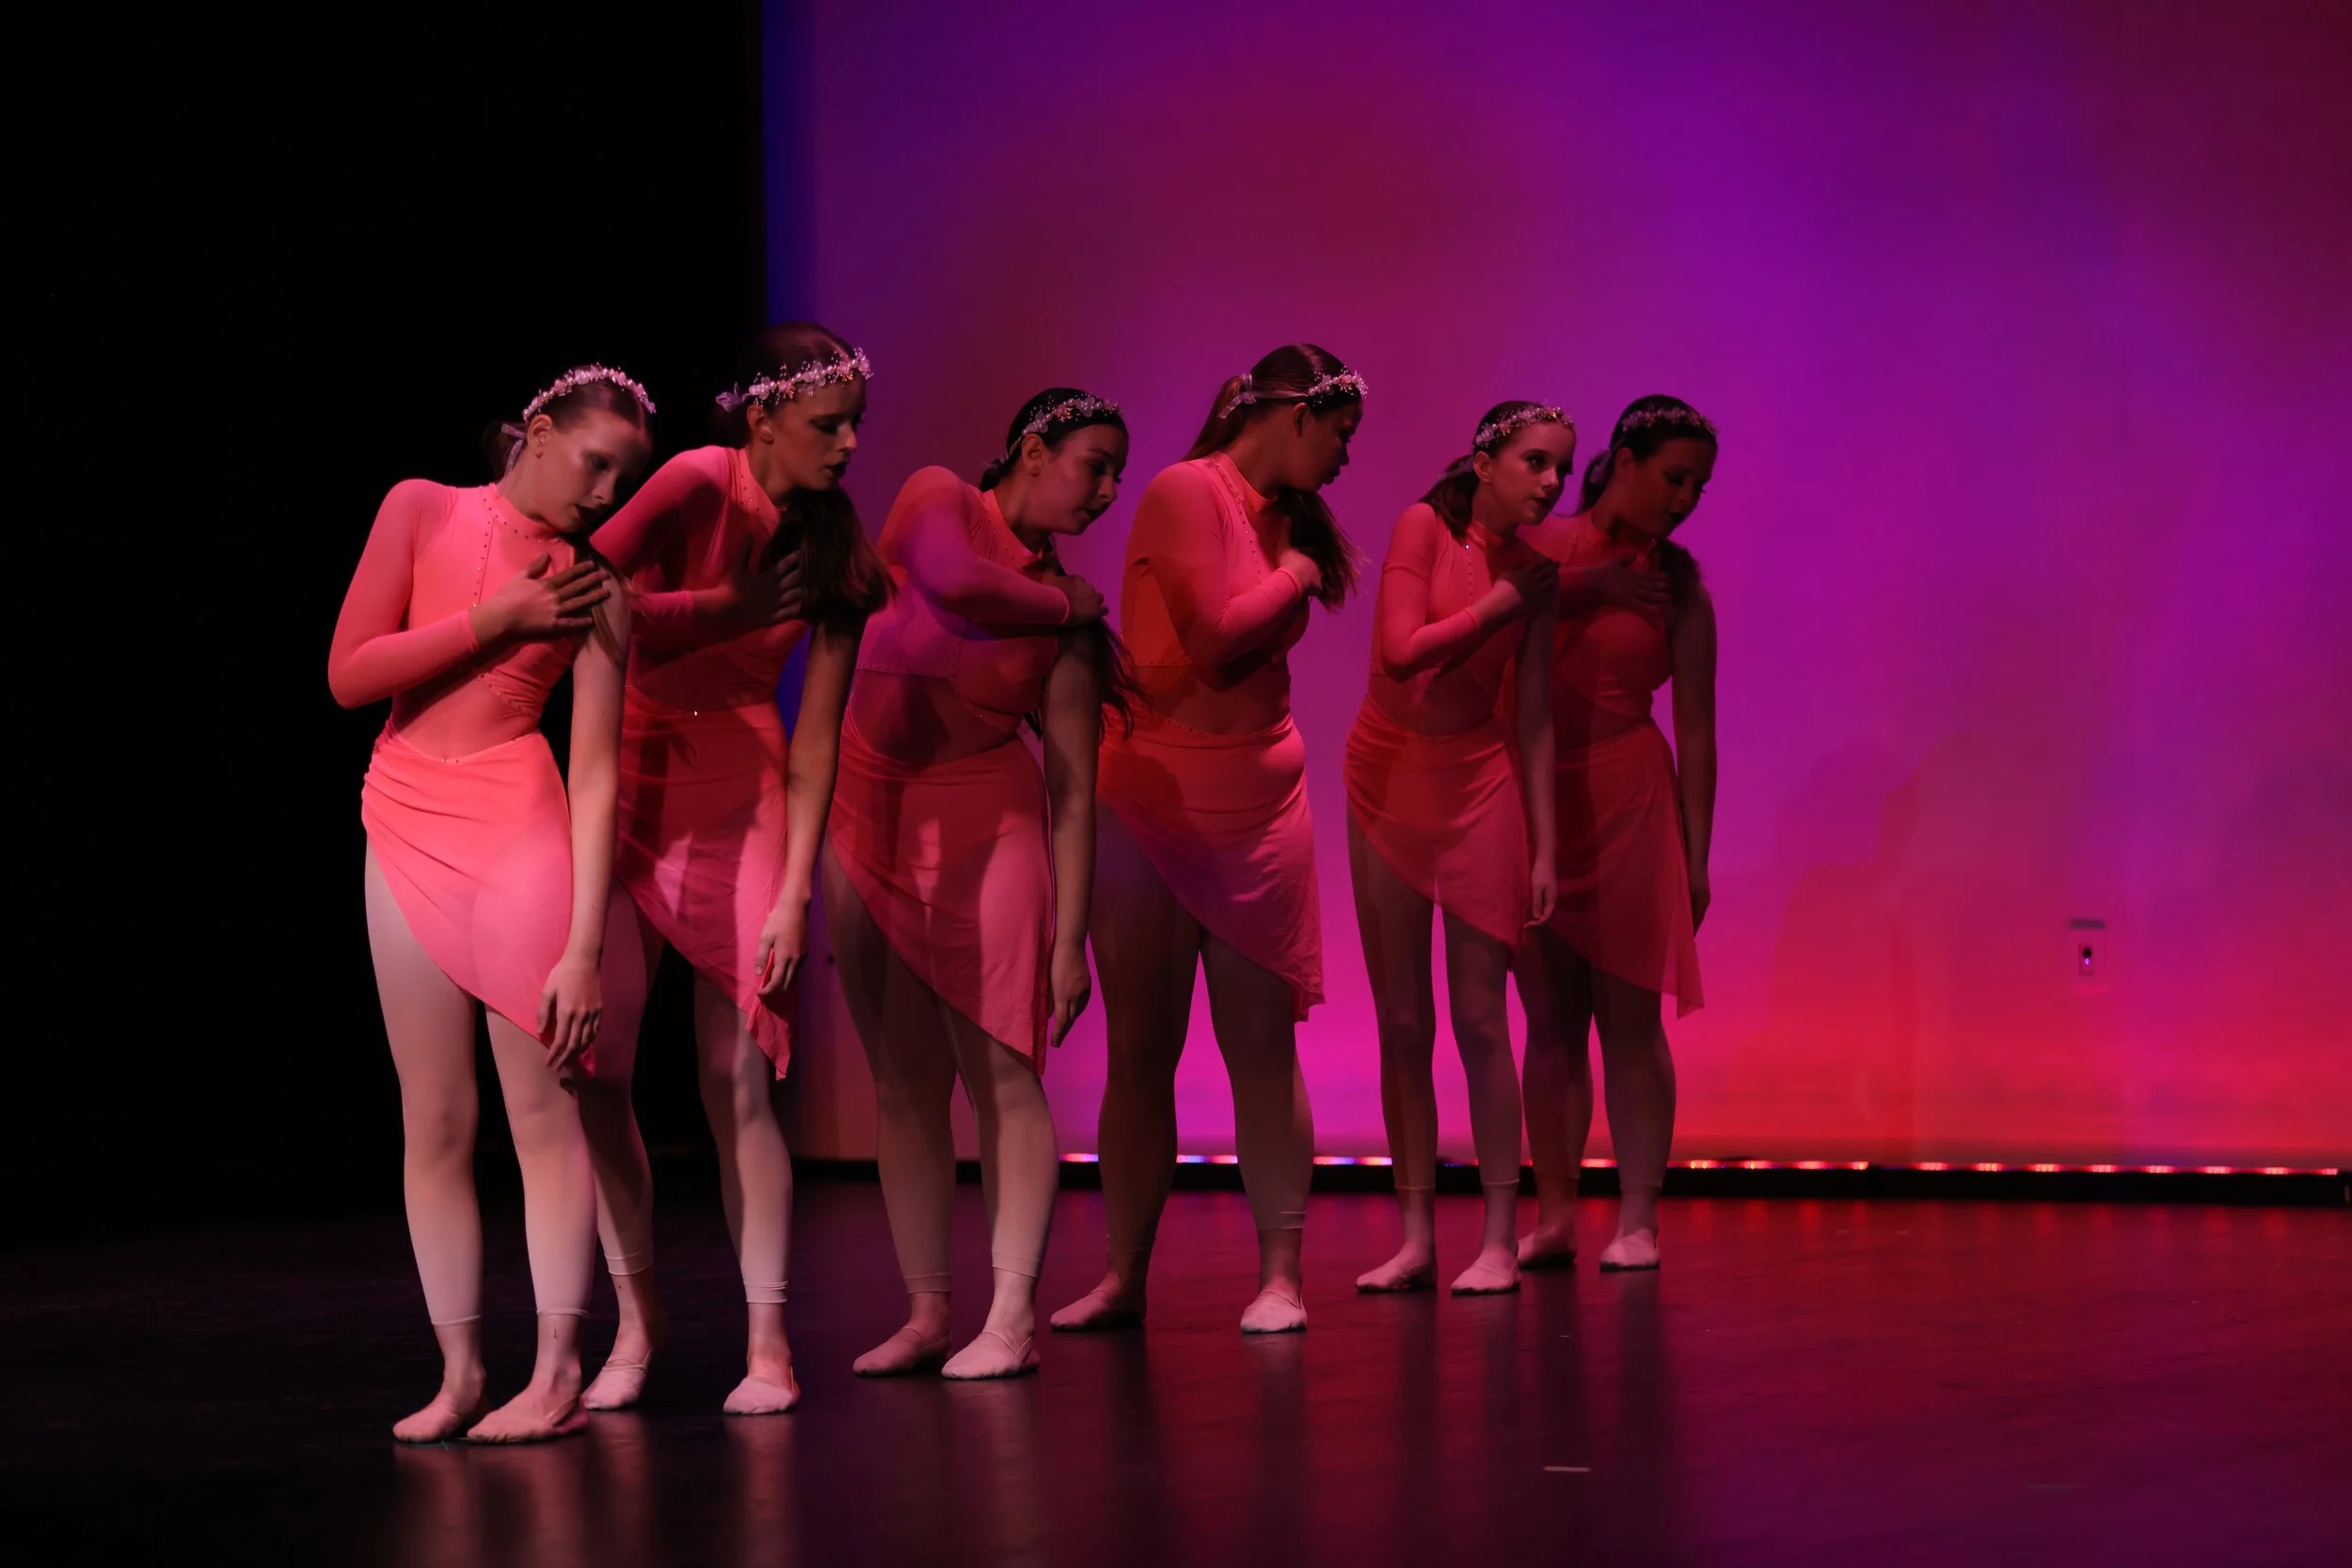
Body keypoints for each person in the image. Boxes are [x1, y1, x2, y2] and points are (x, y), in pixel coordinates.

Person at [328, 364, 652, 1441]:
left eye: (625, 478)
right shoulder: (420, 508)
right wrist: (497, 614)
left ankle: (556, 1369)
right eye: (596, 464)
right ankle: (461, 1371)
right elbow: (350, 672)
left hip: (521, 828)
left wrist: (582, 942)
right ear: (541, 431)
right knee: (435, 1118)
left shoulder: (598, 591)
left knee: (542, 1111)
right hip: (405, 814)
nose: (605, 495)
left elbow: (598, 771)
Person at [578, 325, 886, 1415]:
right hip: (634, 773)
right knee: (598, 1067)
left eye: (854, 423)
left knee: (736, 1073)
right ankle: (637, 1315)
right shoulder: (698, 480)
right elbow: (581, 585)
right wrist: (726, 610)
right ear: (761, 419)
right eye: (825, 425)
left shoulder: (832, 545)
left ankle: (768, 1339)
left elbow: (817, 745)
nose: (847, 444)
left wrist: (797, 885)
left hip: (747, 780)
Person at [1051, 343, 1365, 1336]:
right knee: (1142, 1047)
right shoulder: (1187, 491)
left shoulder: (1287, 518)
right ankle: (1122, 1274)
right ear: (1290, 415)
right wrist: (1299, 575)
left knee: (1261, 1050)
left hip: (1259, 807)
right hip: (1154, 801)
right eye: (1339, 436)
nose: (1346, 460)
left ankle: (1280, 1271)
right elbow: (1217, 634)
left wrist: (1297, 562)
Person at [827, 388, 1131, 1380]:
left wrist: (1067, 938)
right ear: (1032, 448)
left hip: (987, 825)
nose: (1107, 490)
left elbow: (1075, 793)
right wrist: (1061, 600)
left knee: (1005, 1073)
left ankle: (1009, 1315)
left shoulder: (1066, 626)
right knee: (904, 1082)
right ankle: (925, 1311)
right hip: (872, 820)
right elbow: (954, 582)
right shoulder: (938, 499)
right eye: (1094, 463)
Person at [1347, 402, 1566, 1296]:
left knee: (1481, 1018)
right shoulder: (1423, 526)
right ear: (1485, 461)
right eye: (1535, 462)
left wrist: (1546, 846)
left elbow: (1536, 715)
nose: (1551, 482)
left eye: (1561, 466)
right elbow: (1400, 652)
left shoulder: (1539, 574)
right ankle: (1412, 1235)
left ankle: (1500, 1237)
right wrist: (1500, 603)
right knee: (1402, 1020)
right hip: (1391, 780)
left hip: (1480, 785)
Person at [1515, 394, 1719, 1274]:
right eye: (1674, 477)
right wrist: (1586, 586)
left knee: (1630, 1018)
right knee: (1551, 1018)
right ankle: (1555, 1212)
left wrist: (1698, 854)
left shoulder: (1679, 586)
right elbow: (1492, 632)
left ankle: (1639, 1216)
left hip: (1631, 798)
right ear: (1624, 460)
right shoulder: (1539, 550)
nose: (1685, 499)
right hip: (1537, 800)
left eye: (1698, 486)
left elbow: (1702, 729)